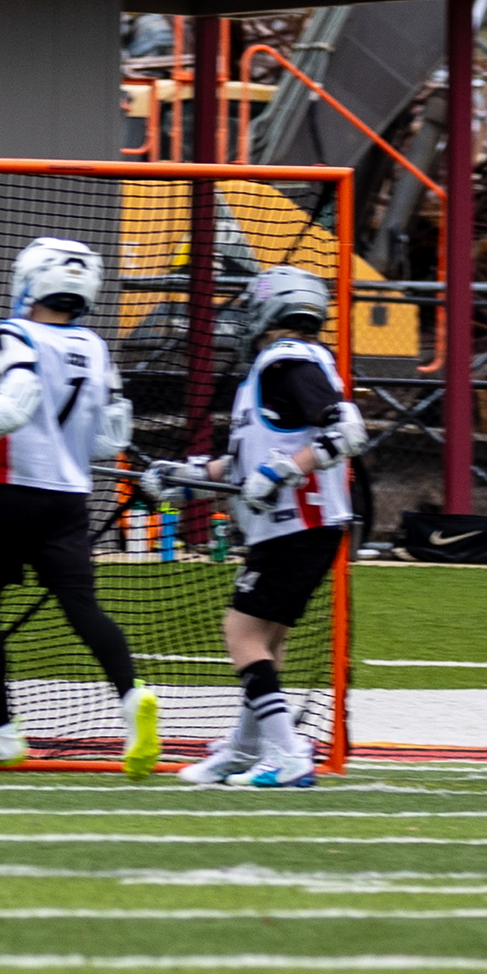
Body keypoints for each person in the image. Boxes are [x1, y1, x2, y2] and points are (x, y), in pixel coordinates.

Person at [0, 235, 146, 767]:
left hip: (11, 492)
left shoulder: (15, 332)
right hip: (69, 500)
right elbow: (110, 439)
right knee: (82, 607)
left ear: (32, 281)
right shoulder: (95, 346)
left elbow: (13, 408)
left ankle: (1, 730)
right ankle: (132, 698)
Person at [169, 266, 362, 791]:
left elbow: (347, 431)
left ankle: (288, 752)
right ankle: (245, 748)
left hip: (298, 525)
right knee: (267, 640)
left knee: (242, 632)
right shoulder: (276, 370)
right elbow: (242, 466)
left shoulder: (286, 361)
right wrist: (182, 478)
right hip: (294, 527)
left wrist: (282, 472)